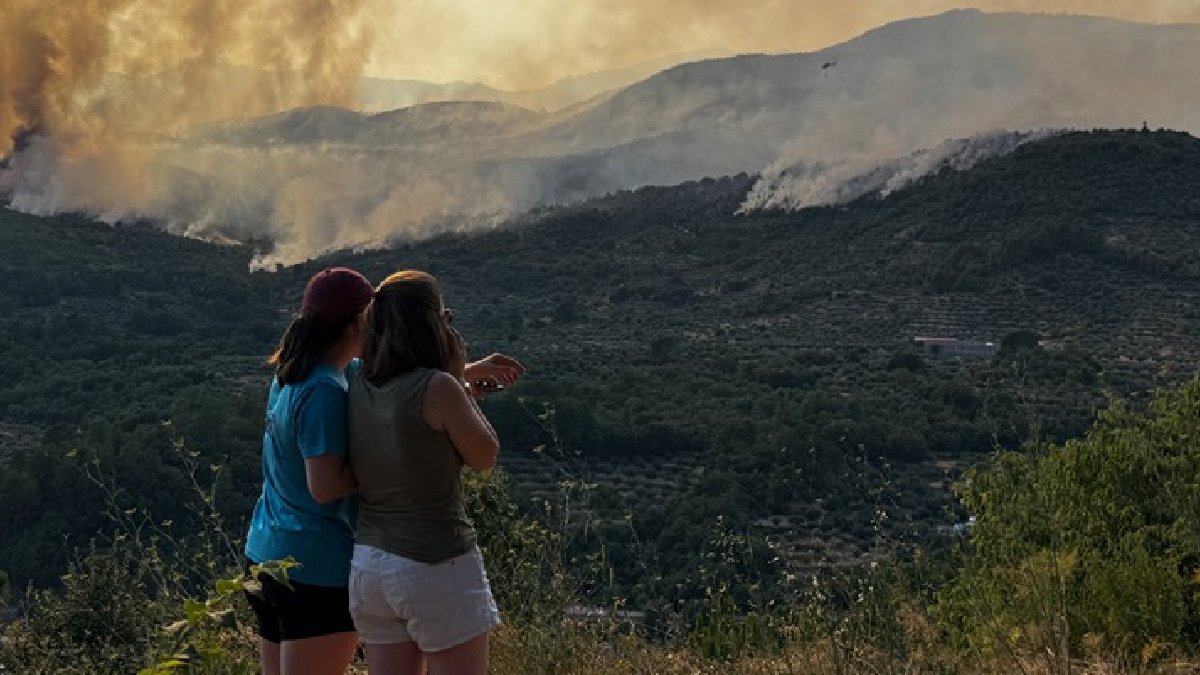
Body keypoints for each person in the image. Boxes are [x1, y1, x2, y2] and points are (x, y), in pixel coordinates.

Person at [347, 270, 523, 675]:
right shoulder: (441, 388)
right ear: (429, 325)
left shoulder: (358, 379)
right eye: (444, 316)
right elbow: (484, 456)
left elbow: (408, 406)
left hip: (370, 565)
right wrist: (458, 375)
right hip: (434, 563)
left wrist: (463, 374)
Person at [244, 267, 374, 675]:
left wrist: (467, 375)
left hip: (267, 554)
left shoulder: (293, 373)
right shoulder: (324, 391)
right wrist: (382, 464)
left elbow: (384, 380)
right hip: (315, 569)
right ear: (357, 322)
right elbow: (325, 487)